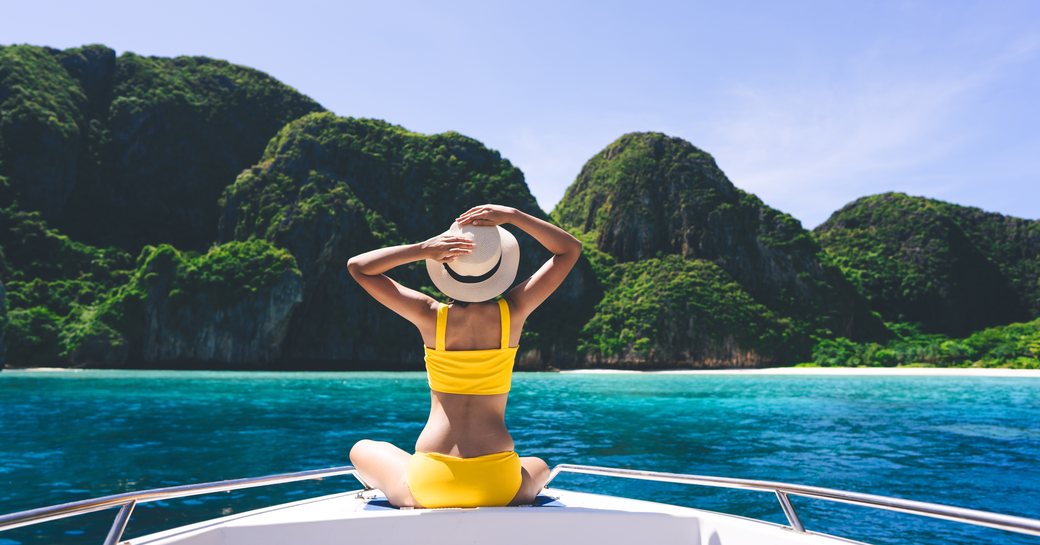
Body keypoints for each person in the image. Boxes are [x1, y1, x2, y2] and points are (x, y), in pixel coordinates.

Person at [345, 204, 581, 508]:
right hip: (497, 482)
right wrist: (513, 215)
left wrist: (423, 249)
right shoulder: (515, 312)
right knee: (538, 465)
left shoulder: (429, 315)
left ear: (446, 270)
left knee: (363, 448)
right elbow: (569, 250)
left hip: (433, 483)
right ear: (499, 268)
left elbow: (358, 267)